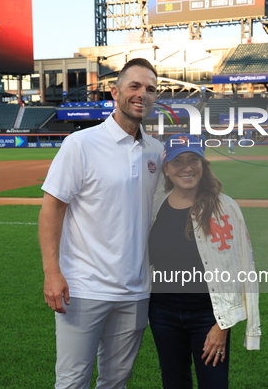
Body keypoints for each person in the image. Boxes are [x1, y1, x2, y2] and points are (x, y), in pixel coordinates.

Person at [38, 58, 164, 389]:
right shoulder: (81, 144)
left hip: (136, 291)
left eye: (150, 89)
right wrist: (52, 273)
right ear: (115, 92)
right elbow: (52, 208)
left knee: (117, 381)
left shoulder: (156, 151)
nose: (142, 94)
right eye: (134, 86)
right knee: (72, 381)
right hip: (84, 288)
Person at [148, 133, 261, 389]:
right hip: (163, 314)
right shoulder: (155, 205)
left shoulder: (225, 207)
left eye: (193, 160)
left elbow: (242, 268)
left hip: (208, 317)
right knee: (174, 383)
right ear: (166, 169)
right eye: (178, 161)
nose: (186, 168)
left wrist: (222, 325)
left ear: (203, 165)